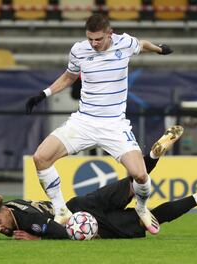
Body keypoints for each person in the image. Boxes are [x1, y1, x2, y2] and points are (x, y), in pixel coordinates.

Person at [0, 126, 197, 240]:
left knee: (145, 220)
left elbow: (57, 231)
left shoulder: (26, 219)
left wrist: (37, 239)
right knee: (134, 183)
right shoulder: (5, 210)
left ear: (4, 211)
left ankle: (194, 194)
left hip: (80, 219)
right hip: (83, 204)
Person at [25, 13, 174, 234]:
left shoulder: (124, 43)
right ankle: (61, 210)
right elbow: (69, 76)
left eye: (98, 39)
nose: (93, 44)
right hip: (83, 121)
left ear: (109, 34)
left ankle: (142, 208)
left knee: (140, 175)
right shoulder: (79, 50)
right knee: (41, 158)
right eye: (90, 39)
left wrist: (159, 49)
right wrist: (43, 94)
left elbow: (141, 44)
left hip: (114, 125)